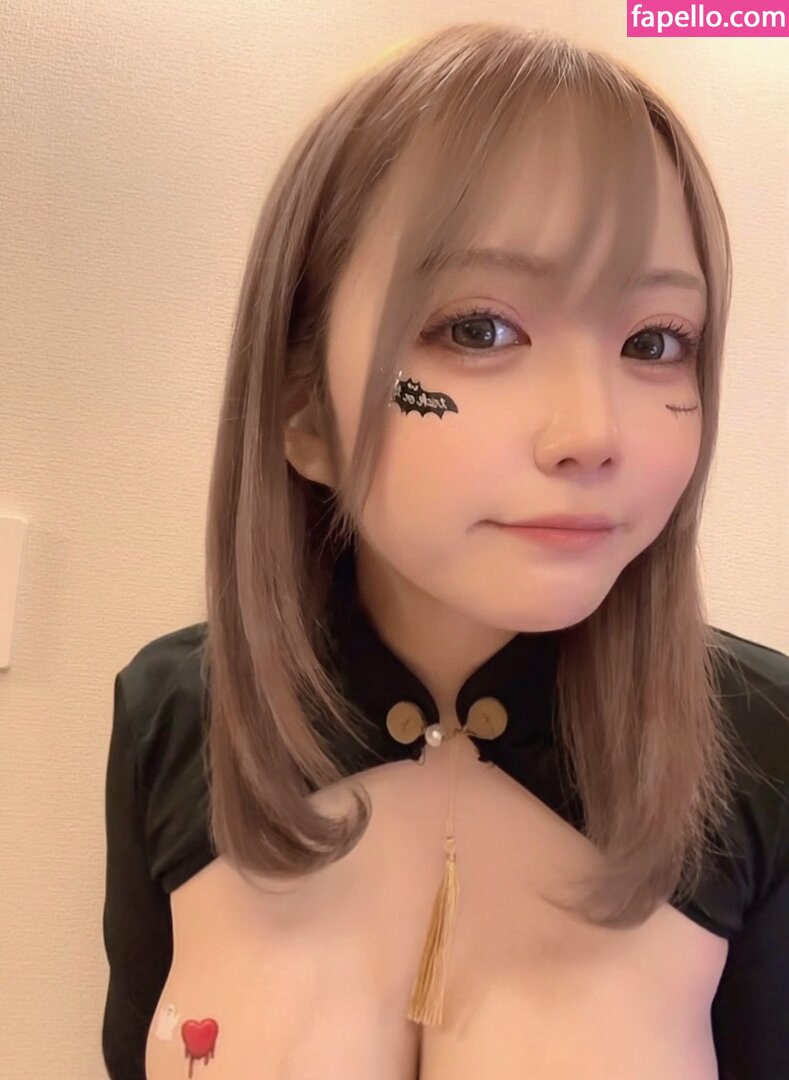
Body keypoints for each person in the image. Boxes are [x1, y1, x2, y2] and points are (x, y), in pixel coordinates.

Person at [102, 21, 789, 1080]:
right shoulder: (177, 712)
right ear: (300, 406)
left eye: (654, 341)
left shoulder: (762, 742)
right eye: (479, 330)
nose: (591, 432)